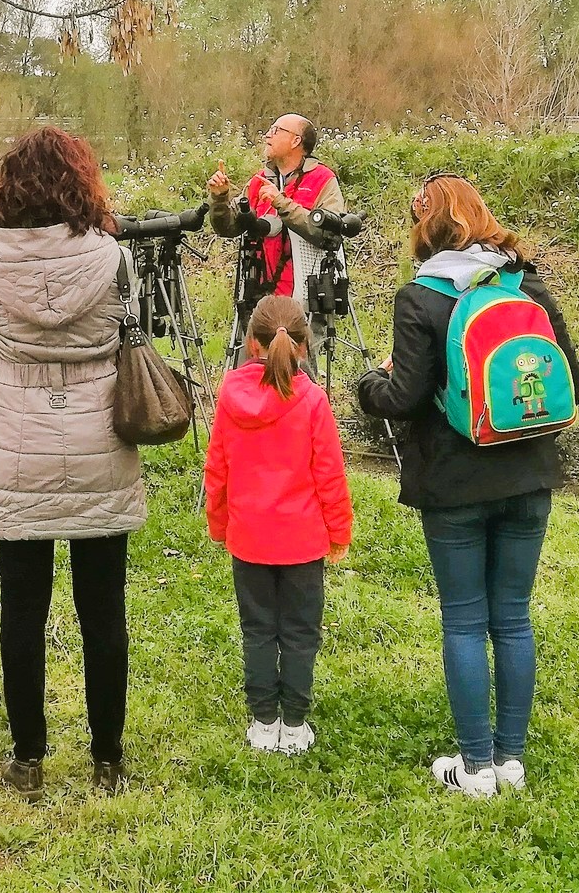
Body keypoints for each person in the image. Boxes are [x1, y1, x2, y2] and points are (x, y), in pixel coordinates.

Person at [358, 174, 574, 797]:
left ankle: (473, 767)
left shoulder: (421, 298)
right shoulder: (528, 287)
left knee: (463, 621)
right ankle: (511, 761)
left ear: (426, 226)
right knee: (513, 617)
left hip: (454, 482)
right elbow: (566, 385)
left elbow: (402, 397)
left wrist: (369, 384)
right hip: (529, 474)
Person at [0, 126, 143, 800]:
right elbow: (133, 335)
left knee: (22, 609)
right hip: (100, 437)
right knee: (103, 610)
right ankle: (107, 757)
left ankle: (28, 757)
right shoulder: (111, 257)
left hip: (18, 445)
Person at [204, 295, 352, 756]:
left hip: (248, 538)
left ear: (251, 345)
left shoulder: (230, 394)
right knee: (301, 633)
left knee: (258, 630)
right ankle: (294, 723)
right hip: (304, 541)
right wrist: (339, 530)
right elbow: (329, 473)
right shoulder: (312, 400)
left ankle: (263, 721)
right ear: (304, 347)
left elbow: (217, 468)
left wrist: (219, 523)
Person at [207, 115, 346, 345]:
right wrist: (220, 199)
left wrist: (281, 202)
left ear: (296, 141)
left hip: (304, 303)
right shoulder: (259, 181)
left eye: (276, 130)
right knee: (254, 376)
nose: (267, 135)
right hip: (260, 301)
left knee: (299, 377)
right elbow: (228, 227)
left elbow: (328, 234)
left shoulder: (323, 180)